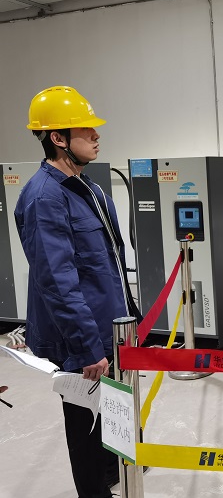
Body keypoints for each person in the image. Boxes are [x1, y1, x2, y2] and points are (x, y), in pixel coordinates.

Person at [15, 86, 139, 497]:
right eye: (86, 130)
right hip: (80, 337)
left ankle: (115, 469)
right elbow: (57, 281)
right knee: (86, 423)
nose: (97, 135)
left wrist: (129, 318)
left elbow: (108, 263)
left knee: (113, 408)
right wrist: (87, 347)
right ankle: (94, 490)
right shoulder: (45, 197)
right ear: (58, 138)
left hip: (110, 327)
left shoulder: (87, 187)